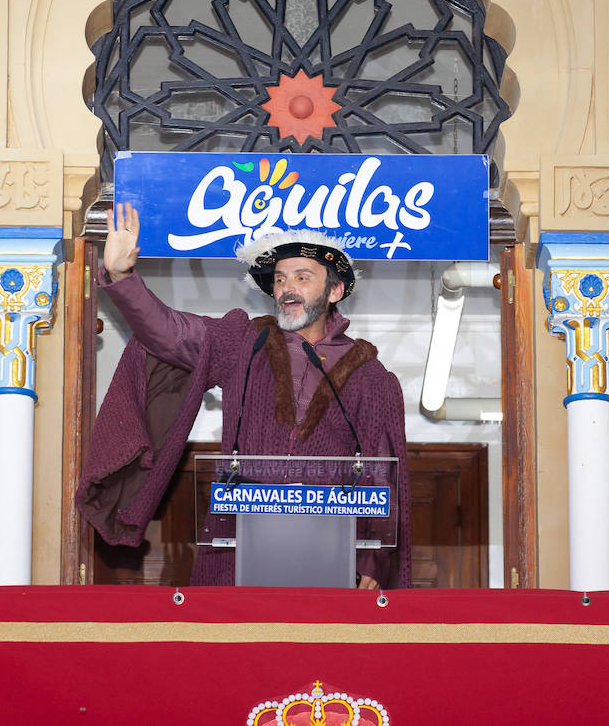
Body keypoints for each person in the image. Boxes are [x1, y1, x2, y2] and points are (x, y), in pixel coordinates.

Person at [77, 202, 411, 588]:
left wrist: (371, 560)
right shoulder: (242, 342)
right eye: (280, 279)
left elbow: (382, 475)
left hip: (329, 556)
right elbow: (170, 333)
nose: (287, 288)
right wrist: (123, 276)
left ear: (335, 290)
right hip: (235, 551)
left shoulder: (371, 376)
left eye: (302, 277)